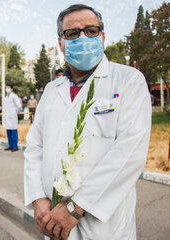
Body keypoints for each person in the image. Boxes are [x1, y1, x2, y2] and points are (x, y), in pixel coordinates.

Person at [24, 4, 152, 240]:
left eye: (91, 31)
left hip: (104, 224)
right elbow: (35, 147)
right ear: (61, 43)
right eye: (72, 33)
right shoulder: (52, 90)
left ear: (102, 36)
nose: (83, 37)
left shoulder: (127, 80)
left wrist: (76, 207)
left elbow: (129, 152)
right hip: (52, 218)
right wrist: (39, 199)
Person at [4, 84, 21, 152]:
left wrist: (15, 112)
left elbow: (18, 105)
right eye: (6, 88)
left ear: (12, 89)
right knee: (8, 132)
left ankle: (15, 146)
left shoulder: (14, 96)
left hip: (12, 116)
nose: (7, 89)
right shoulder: (6, 97)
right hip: (7, 117)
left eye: (8, 88)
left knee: (13, 132)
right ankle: (10, 145)